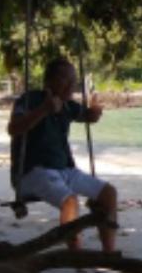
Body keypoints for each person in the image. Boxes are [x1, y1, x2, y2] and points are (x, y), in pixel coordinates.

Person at [7, 58, 118, 253]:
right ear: (49, 81)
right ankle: (75, 256)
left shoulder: (68, 106)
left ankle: (109, 254)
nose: (72, 85)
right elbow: (13, 129)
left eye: (74, 80)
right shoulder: (30, 99)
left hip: (64, 169)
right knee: (70, 201)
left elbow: (88, 116)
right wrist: (44, 110)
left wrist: (95, 112)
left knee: (109, 194)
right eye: (66, 79)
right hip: (33, 171)